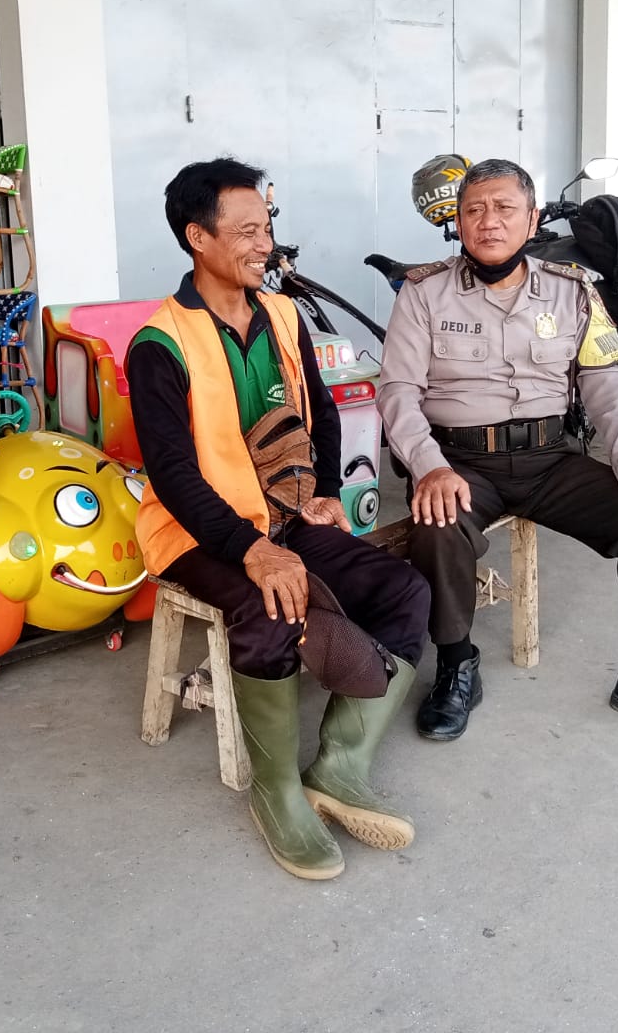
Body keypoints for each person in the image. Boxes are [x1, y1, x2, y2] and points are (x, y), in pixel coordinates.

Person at [127, 158, 429, 880]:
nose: (265, 245)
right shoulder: (159, 345)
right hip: (195, 532)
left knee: (404, 590)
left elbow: (320, 412)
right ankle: (276, 790)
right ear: (198, 237)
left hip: (286, 517)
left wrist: (325, 491)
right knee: (267, 616)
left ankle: (339, 767)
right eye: (246, 232)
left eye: (267, 228)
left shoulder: (283, 316)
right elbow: (173, 476)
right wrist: (253, 550)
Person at [378, 157, 618, 748]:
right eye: (474, 210)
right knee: (436, 523)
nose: (488, 221)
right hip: (460, 463)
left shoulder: (574, 291)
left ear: (533, 218)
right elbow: (397, 392)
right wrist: (428, 467)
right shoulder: (423, 293)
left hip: (550, 459)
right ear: (458, 222)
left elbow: (608, 383)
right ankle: (457, 663)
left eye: (504, 207)